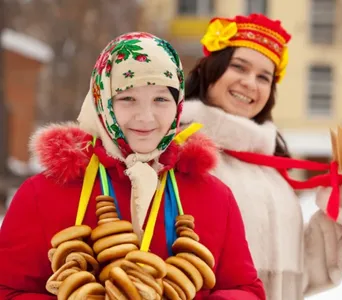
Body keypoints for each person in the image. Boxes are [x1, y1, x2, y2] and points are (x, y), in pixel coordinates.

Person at [0, 32, 265, 299]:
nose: (145, 116)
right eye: (128, 98)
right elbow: (7, 290)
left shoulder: (214, 196)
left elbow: (246, 290)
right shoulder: (44, 193)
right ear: (102, 101)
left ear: (178, 105)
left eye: (161, 99)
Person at [181, 13, 342, 300]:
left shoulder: (272, 175)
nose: (250, 83)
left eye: (263, 77)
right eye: (239, 68)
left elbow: (301, 277)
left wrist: (338, 213)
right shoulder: (181, 153)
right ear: (210, 69)